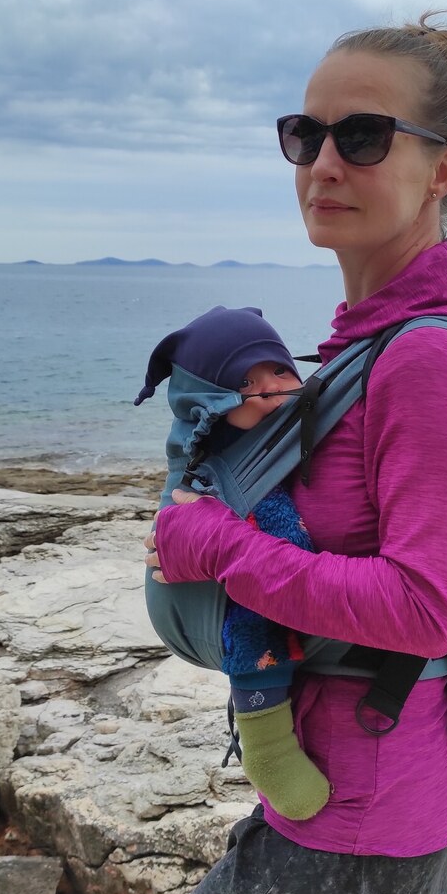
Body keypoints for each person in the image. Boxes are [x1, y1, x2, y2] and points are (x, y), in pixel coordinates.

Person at [146, 12, 447, 894]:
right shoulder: (371, 341)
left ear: (442, 169)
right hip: (347, 789)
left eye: (362, 136)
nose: (323, 164)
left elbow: (424, 609)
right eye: (304, 134)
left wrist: (217, 545)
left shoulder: (426, 358)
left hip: (360, 815)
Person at [134, 305, 331, 821]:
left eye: (280, 370)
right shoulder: (211, 449)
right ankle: (266, 747)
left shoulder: (287, 430)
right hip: (213, 599)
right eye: (245, 382)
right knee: (253, 623)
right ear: (209, 399)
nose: (269, 389)